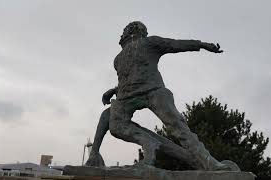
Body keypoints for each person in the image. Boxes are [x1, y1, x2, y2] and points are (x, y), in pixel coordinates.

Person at [86, 21, 239, 171]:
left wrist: (202, 44)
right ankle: (148, 142)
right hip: (127, 97)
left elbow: (176, 44)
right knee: (115, 123)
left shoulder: (150, 42)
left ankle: (210, 163)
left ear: (131, 32)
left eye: (124, 31)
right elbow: (129, 78)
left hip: (153, 91)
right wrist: (114, 90)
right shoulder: (118, 59)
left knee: (178, 127)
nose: (121, 35)